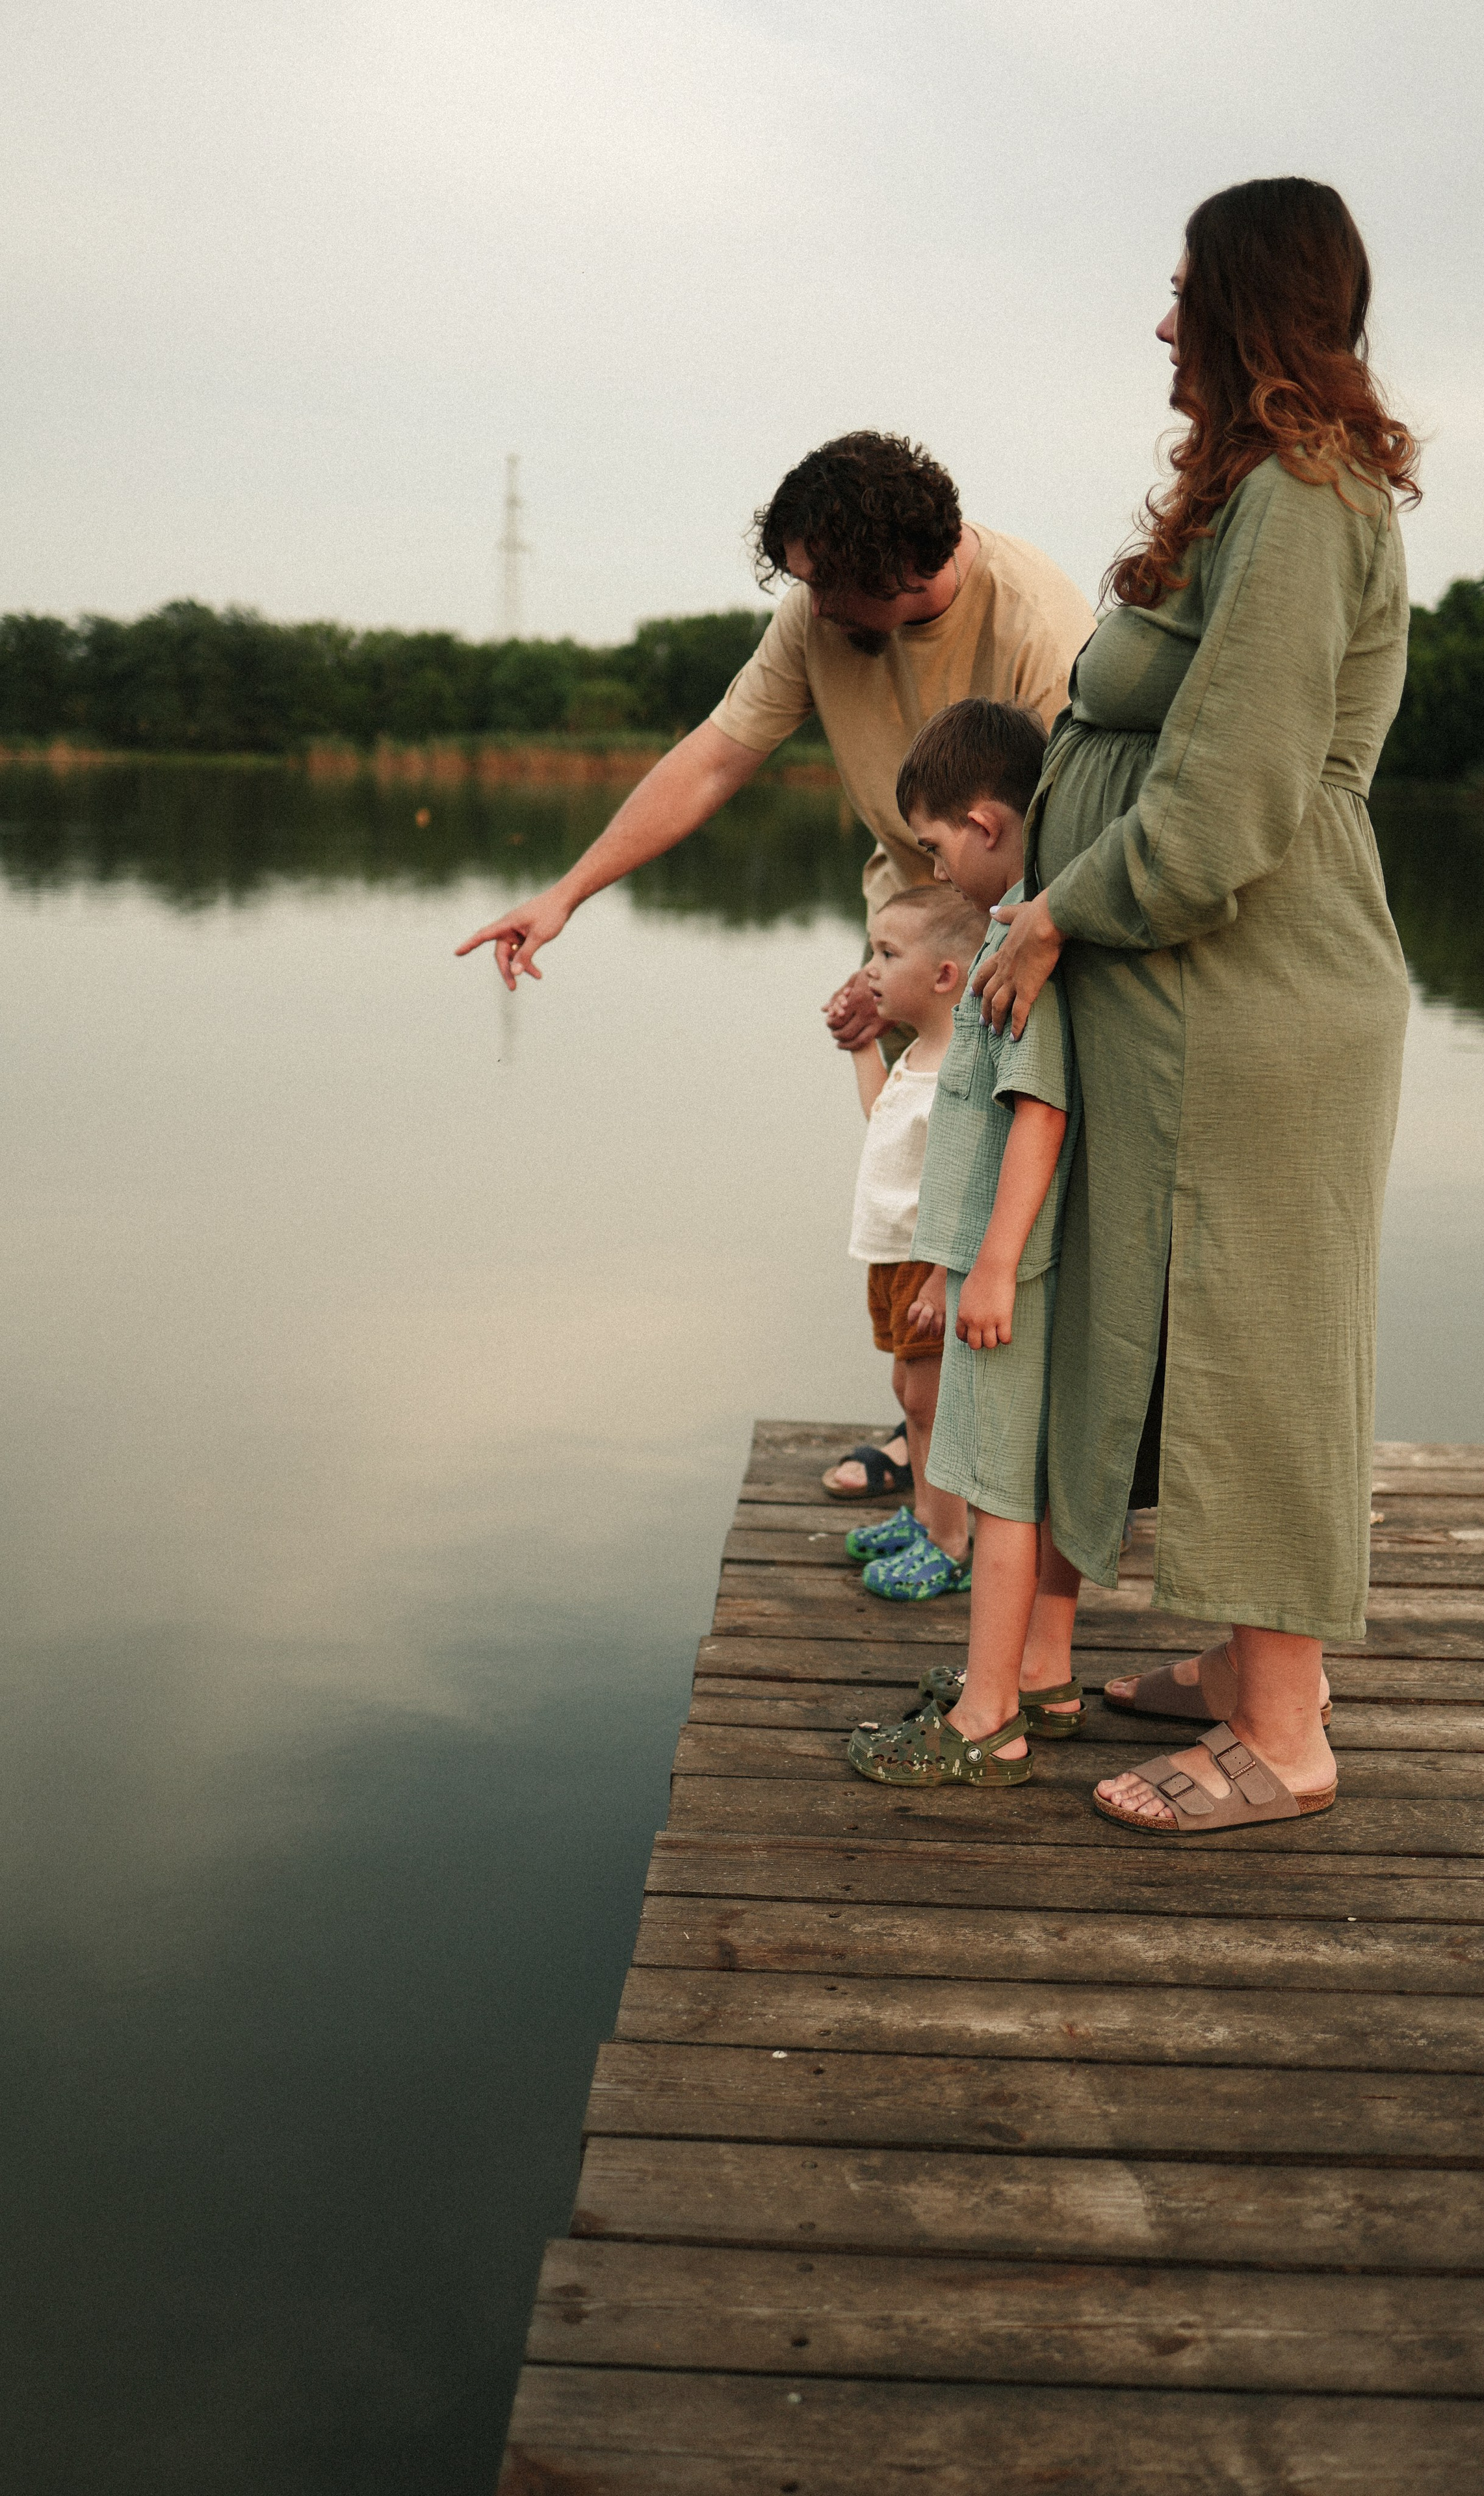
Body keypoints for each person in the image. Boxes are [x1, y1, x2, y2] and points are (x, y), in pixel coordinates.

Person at [972, 178, 1418, 1837]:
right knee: (1196, 1332)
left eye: (1181, 295)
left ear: (1243, 309)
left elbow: (1237, 800)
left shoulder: (1303, 501)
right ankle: (1241, 1671)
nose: (1161, 324)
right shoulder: (1263, 499)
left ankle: (1284, 1733)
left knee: (1256, 1341)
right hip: (1201, 996)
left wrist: (1054, 907)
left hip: (1254, 998)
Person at [454, 432, 1095, 1500]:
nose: (805, 602)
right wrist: (566, 892)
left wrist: (1027, 944)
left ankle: (1025, 1462)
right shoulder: (817, 620)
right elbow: (714, 757)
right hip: (910, 934)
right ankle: (928, 1441)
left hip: (1021, 941)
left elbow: (1087, 819)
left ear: (891, 572)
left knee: (1010, 1198)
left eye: (821, 581)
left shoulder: (1040, 624)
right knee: (912, 1190)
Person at [848, 700, 1084, 1785]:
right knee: (1012, 1486)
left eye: (938, 848)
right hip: (993, 1267)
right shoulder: (1012, 937)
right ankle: (1039, 1674)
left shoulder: (1016, 957)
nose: (937, 870)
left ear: (989, 826)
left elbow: (1037, 1110)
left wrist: (986, 1266)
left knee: (998, 1496)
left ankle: (989, 1722)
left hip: (1011, 1278)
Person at [838, 881, 989, 1600]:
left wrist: (940, 1277)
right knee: (910, 1392)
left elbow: (965, 1185)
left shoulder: (960, 1064)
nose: (870, 967)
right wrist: (863, 1045)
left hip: (928, 1261)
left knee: (934, 1404)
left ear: (943, 976)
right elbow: (882, 1120)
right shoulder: (921, 1051)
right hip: (892, 1255)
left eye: (887, 953)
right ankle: (926, 1515)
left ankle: (949, 1543)